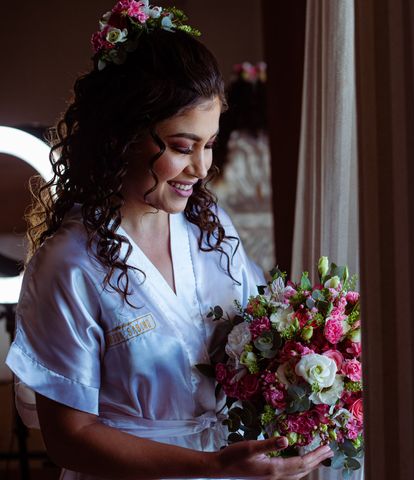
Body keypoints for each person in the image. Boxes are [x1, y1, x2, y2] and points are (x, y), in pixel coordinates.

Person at [4, 2, 332, 479]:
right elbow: (69, 439)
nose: (201, 170)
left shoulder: (210, 228)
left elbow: (263, 340)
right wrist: (211, 465)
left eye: (210, 144)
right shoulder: (69, 265)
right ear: (122, 136)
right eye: (182, 147)